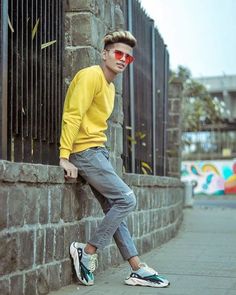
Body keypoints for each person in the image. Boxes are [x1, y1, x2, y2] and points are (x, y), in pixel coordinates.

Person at [59, 30, 170, 288]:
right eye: (118, 53)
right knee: (126, 199)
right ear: (105, 53)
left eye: (128, 57)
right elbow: (73, 115)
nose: (122, 59)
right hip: (85, 153)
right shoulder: (91, 76)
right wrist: (65, 156)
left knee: (115, 208)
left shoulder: (109, 87)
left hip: (98, 152)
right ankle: (87, 251)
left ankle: (136, 268)